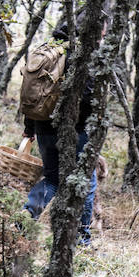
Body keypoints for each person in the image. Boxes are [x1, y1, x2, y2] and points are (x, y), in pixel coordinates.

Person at [23, 25, 96, 244]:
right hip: (74, 129)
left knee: (52, 179)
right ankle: (81, 238)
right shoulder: (81, 53)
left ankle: (24, 219)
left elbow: (30, 93)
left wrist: (30, 127)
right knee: (86, 181)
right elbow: (87, 97)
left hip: (43, 125)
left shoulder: (45, 51)